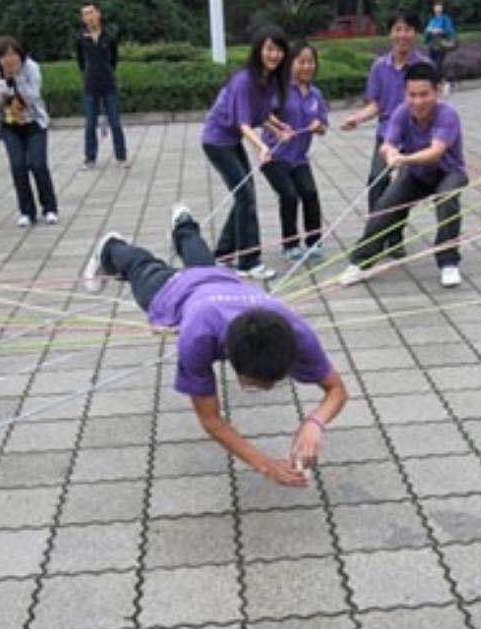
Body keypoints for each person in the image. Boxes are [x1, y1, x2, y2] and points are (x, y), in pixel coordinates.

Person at [82, 204, 348, 487]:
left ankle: (183, 223)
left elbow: (337, 390)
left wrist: (314, 423)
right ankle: (111, 247)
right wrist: (266, 466)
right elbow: (211, 420)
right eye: (255, 382)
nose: (261, 390)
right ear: (227, 355)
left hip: (221, 280)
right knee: (142, 267)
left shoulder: (297, 332)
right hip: (173, 292)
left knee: (203, 264)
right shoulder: (196, 339)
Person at [338, 62, 466, 289]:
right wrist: (390, 154)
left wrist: (404, 159)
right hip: (416, 174)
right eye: (412, 95)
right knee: (385, 205)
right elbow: (387, 145)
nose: (417, 102)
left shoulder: (448, 115)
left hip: (448, 171)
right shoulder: (400, 113)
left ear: (436, 91)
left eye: (424, 94)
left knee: (446, 198)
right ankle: (361, 262)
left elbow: (436, 152)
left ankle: (448, 262)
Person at [201, 25, 292, 280]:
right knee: (246, 196)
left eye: (279, 50)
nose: (275, 55)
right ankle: (249, 261)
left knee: (244, 195)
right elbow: (243, 123)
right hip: (217, 141)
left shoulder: (268, 79)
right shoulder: (244, 80)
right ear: (259, 50)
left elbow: (260, 113)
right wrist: (262, 147)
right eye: (270, 49)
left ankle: (222, 254)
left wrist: (278, 126)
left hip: (230, 140)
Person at [341, 9, 431, 257]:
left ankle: (395, 236)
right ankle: (375, 236)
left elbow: (431, 104)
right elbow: (376, 104)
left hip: (414, 139)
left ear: (415, 34)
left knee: (404, 189)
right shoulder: (379, 67)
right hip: (386, 136)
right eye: (398, 29)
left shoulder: (424, 66)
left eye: (408, 29)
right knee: (376, 181)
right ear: (391, 33)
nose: (403, 35)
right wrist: (357, 118)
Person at [260, 41, 328, 263]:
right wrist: (279, 128)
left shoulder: (316, 94)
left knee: (309, 194)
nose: (306, 67)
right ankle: (289, 245)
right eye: (301, 62)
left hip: (298, 158)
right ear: (290, 64)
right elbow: (261, 115)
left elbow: (323, 126)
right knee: (289, 195)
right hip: (273, 156)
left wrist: (319, 126)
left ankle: (314, 242)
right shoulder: (279, 89)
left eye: (311, 62)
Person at [0, 36, 59, 227]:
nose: (9, 59)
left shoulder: (31, 68)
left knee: (38, 164)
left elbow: (33, 96)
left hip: (34, 122)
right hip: (10, 125)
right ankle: (27, 211)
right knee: (18, 166)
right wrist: (3, 88)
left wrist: (16, 78)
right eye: (4, 56)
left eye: (13, 54)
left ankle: (50, 208)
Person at [77, 2, 128, 168]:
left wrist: (107, 72)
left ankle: (121, 157)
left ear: (98, 14)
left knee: (115, 122)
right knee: (90, 123)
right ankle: (90, 158)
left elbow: (114, 60)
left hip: (108, 84)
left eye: (91, 12)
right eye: (85, 14)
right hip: (90, 86)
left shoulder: (109, 36)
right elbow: (81, 63)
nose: (88, 17)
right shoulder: (81, 38)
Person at [424, 2, 457, 94]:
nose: (438, 9)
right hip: (432, 45)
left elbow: (450, 31)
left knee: (438, 64)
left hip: (441, 45)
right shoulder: (432, 20)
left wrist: (440, 31)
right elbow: (426, 31)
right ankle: (445, 83)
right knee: (432, 64)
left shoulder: (445, 19)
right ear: (434, 9)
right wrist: (430, 31)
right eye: (436, 8)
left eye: (439, 8)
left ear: (442, 9)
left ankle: (442, 84)